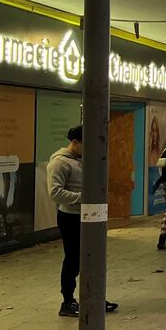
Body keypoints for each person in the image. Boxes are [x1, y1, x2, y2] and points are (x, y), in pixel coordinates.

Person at [47, 126, 117, 317]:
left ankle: (92, 297)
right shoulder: (59, 163)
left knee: (92, 259)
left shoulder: (82, 160)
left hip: (89, 215)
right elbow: (55, 192)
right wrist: (84, 197)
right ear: (75, 142)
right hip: (71, 217)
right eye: (87, 144)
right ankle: (67, 301)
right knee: (73, 260)